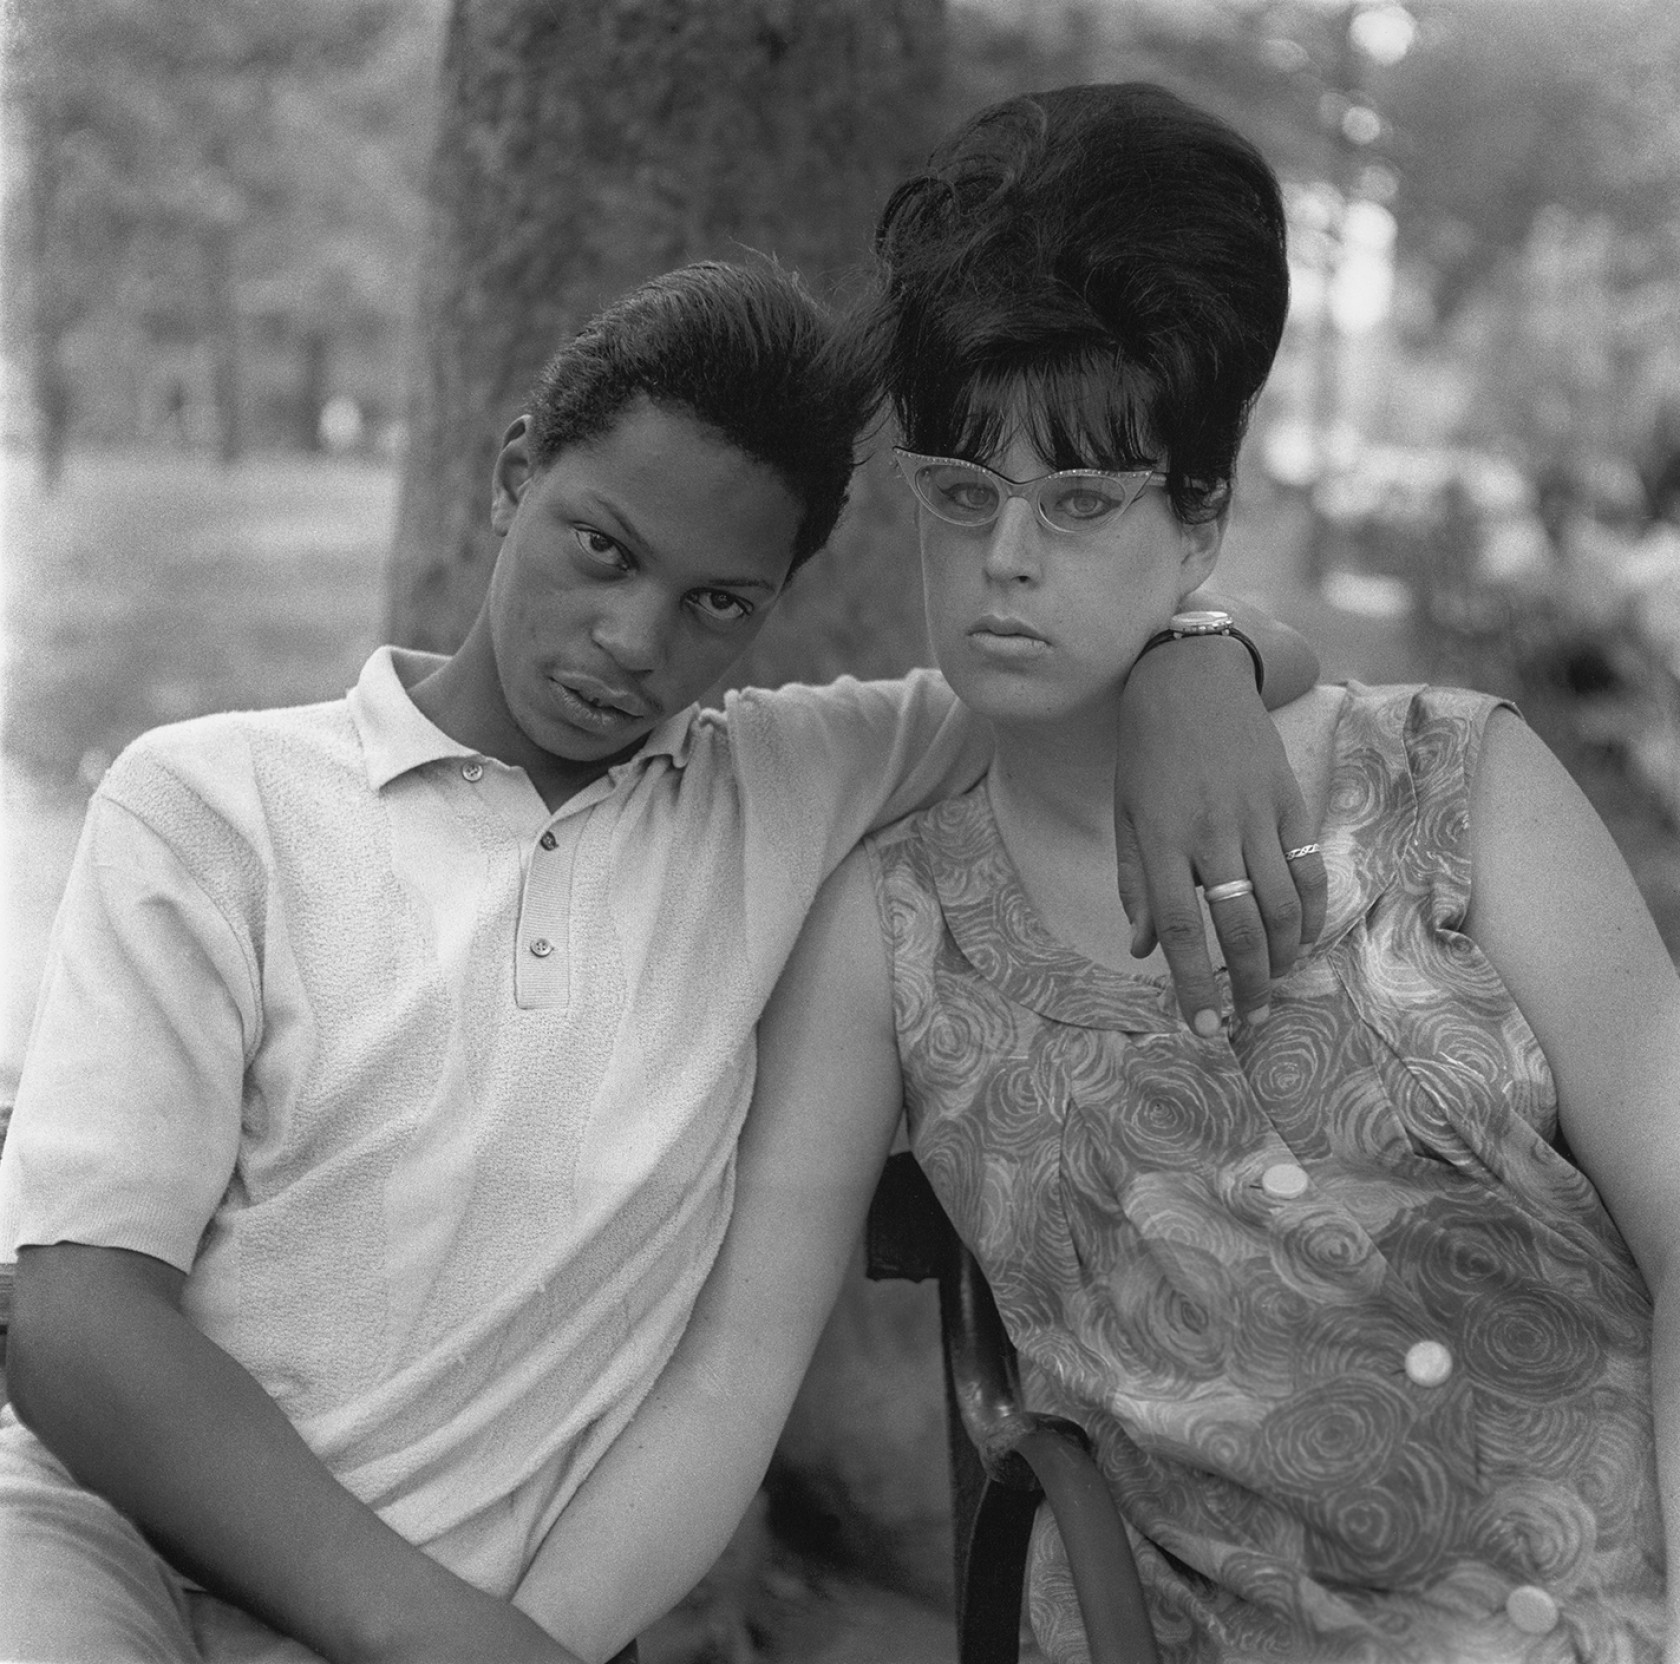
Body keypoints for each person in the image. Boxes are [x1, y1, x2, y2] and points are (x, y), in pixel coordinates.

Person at [0, 258, 1321, 1661]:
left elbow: (1127, 664)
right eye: (604, 549)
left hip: (457, 1606)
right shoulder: (216, 805)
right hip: (107, 1554)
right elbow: (77, 1320)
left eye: (720, 605)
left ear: (779, 603)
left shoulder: (789, 782)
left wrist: (1199, 657)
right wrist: (448, 1641)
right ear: (516, 473)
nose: (631, 643)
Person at [542, 87, 1679, 1663]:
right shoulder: (896, 930)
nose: (1007, 560)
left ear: (1201, 516)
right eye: (960, 496)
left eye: (1080, 504)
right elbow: (731, 1382)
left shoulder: (1454, 786)